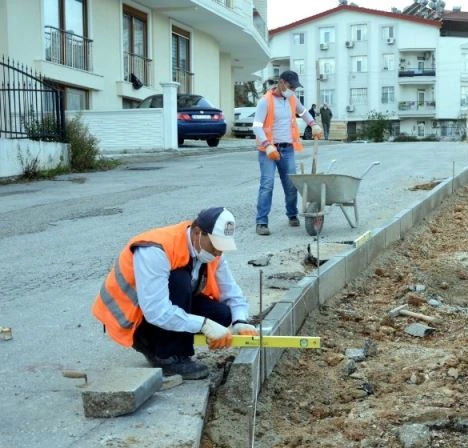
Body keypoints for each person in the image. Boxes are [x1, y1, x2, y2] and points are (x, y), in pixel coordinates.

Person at [92, 207, 259, 380]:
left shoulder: (210, 251)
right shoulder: (156, 249)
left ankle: (171, 339)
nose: (218, 253)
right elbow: (156, 310)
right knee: (179, 280)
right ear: (197, 232)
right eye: (215, 245)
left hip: (163, 304)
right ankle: (164, 353)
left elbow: (232, 292)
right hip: (135, 315)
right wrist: (204, 325)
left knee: (222, 314)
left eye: (222, 248)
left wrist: (240, 320)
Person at [252, 70, 322, 236]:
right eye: (291, 87)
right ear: (281, 82)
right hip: (268, 151)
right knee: (267, 185)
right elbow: (256, 126)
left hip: (287, 148)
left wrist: (313, 124)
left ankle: (292, 215)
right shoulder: (265, 101)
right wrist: (268, 146)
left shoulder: (291, 99)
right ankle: (261, 222)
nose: (293, 90)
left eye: (295, 88)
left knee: (291, 185)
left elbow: (303, 112)